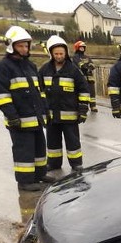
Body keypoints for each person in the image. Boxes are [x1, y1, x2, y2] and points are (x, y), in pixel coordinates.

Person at [0, 26, 54, 192]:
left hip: (36, 119)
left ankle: (40, 174)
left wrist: (45, 111)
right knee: (24, 152)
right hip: (19, 120)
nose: (24, 49)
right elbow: (0, 94)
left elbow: (40, 92)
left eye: (26, 45)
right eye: (21, 46)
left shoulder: (30, 66)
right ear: (11, 45)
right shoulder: (4, 67)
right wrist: (12, 116)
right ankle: (25, 181)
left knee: (40, 149)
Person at [39, 35, 90, 172]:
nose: (59, 56)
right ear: (51, 53)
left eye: (61, 53)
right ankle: (54, 163)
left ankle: (76, 164)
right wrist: (42, 111)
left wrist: (83, 110)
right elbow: (39, 91)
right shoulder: (44, 70)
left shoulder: (73, 70)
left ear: (66, 53)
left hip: (70, 116)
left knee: (73, 142)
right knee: (52, 142)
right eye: (56, 54)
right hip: (51, 117)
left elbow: (84, 90)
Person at [72, 40, 98, 112]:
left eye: (83, 47)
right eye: (81, 47)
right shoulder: (75, 57)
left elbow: (92, 64)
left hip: (90, 78)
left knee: (92, 93)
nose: (82, 49)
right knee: (82, 93)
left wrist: (90, 68)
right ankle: (82, 106)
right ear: (77, 48)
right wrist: (86, 68)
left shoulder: (87, 57)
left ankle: (93, 106)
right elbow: (80, 64)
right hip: (82, 78)